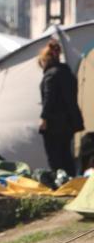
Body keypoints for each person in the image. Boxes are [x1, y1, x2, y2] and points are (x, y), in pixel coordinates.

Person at [38, 39, 84, 175]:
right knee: (66, 155)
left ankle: (59, 183)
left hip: (54, 123)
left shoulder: (50, 75)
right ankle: (70, 182)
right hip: (69, 122)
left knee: (55, 157)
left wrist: (44, 118)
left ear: (45, 60)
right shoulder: (67, 73)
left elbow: (49, 98)